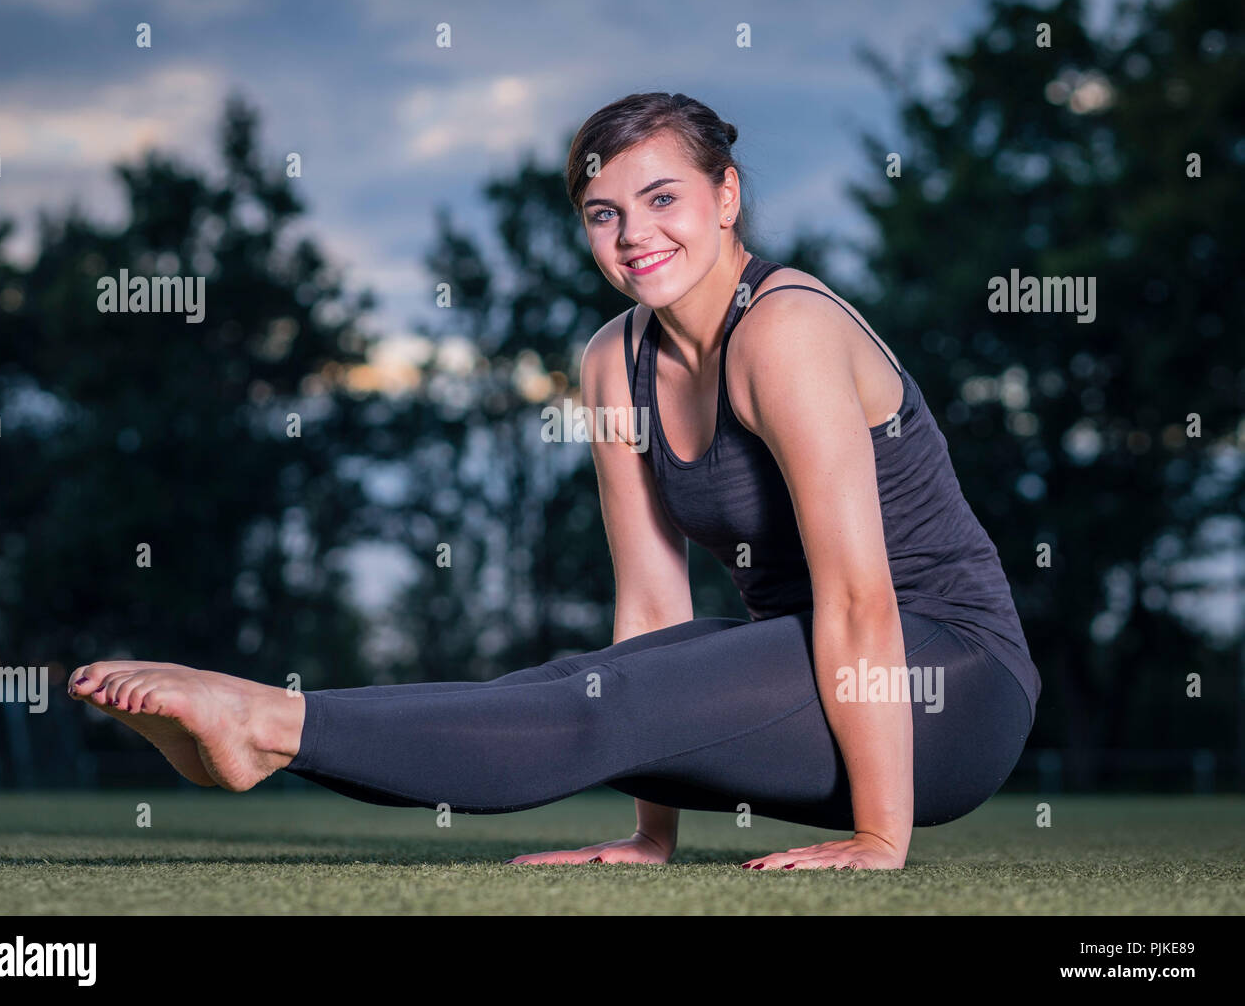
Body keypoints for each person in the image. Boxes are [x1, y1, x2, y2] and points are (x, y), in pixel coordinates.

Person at [68, 91, 1040, 873]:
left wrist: (881, 839)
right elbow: (650, 606)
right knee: (577, 687)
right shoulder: (615, 359)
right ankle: (270, 741)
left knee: (603, 698)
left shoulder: (785, 332)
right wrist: (651, 833)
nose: (633, 236)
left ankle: (270, 721)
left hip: (942, 688)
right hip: (802, 676)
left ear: (727, 196)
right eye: (604, 213)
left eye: (663, 199)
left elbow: (861, 597)